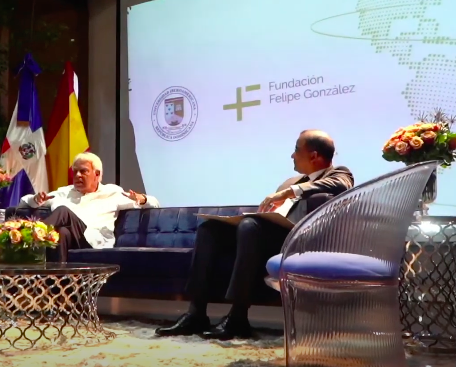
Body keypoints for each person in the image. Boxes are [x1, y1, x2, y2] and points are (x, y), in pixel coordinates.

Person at [155, 130, 353, 339]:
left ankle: (237, 318)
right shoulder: (291, 181)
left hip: (298, 242)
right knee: (210, 230)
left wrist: (290, 192)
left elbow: (341, 185)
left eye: (296, 149)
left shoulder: (339, 173)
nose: (292, 155)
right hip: (263, 237)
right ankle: (196, 313)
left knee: (250, 226)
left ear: (313, 156)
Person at [19, 152, 160, 261]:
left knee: (63, 211)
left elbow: (155, 203)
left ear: (97, 174)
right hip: (72, 241)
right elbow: (24, 201)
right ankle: (60, 282)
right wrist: (35, 199)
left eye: (83, 171)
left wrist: (142, 199)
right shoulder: (63, 192)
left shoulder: (112, 192)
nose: (77, 175)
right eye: (75, 171)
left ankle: (29, 237)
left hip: (95, 242)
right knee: (62, 232)